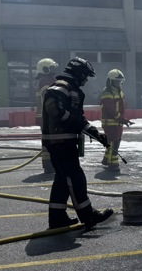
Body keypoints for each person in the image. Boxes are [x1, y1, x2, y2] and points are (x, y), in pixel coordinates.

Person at [41, 57, 114, 230]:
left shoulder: (73, 90)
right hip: (60, 141)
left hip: (64, 140)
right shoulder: (60, 88)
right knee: (75, 178)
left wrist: (94, 133)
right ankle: (88, 216)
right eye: (85, 76)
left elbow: (78, 118)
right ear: (78, 73)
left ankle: (57, 218)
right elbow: (55, 111)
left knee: (62, 180)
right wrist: (78, 124)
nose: (86, 80)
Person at [99, 69, 131, 171]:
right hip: (111, 123)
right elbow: (111, 110)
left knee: (111, 141)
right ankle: (113, 164)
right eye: (117, 81)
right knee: (115, 142)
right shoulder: (107, 92)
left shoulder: (118, 90)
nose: (119, 83)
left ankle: (106, 159)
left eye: (120, 81)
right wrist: (123, 119)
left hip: (116, 122)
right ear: (111, 81)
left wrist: (122, 120)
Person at [35, 58, 59, 174]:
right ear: (45, 69)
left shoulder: (48, 80)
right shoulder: (45, 81)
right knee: (51, 141)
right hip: (48, 117)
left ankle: (50, 165)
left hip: (47, 117)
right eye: (52, 68)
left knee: (51, 141)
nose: (54, 70)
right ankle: (49, 166)